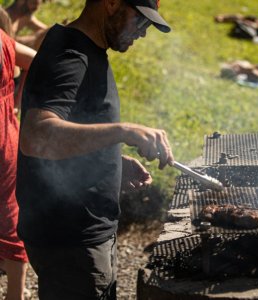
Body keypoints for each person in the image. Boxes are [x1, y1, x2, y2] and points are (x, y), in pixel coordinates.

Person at [16, 0, 173, 298]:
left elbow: (72, 126)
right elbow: (36, 136)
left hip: (78, 233)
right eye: (140, 21)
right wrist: (124, 131)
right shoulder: (70, 57)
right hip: (71, 238)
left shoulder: (86, 49)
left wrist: (109, 159)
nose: (142, 33)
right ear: (112, 3)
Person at [0, 6, 36, 300]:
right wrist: (16, 98)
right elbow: (36, 61)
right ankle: (16, 295)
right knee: (10, 217)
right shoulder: (4, 41)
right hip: (7, 138)